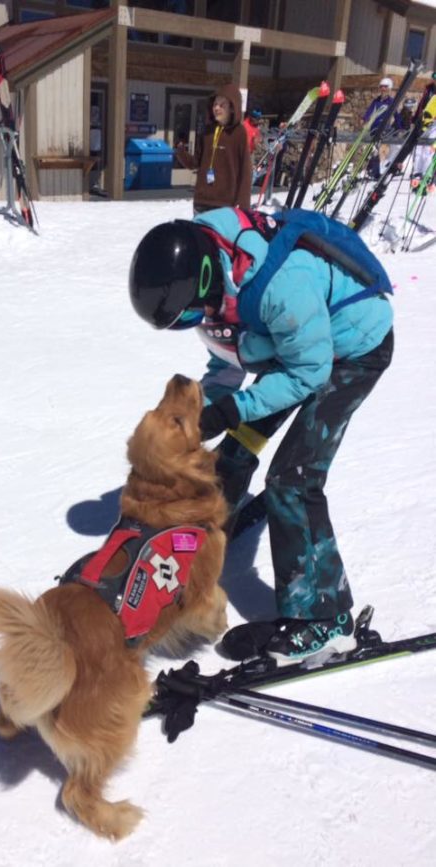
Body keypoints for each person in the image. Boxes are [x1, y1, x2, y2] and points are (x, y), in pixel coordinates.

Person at [128, 208, 394, 666]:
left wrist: (234, 409)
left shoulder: (278, 287)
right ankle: (205, 535)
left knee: (292, 479)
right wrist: (206, 413)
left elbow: (310, 372)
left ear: (209, 278)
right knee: (235, 450)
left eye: (194, 312)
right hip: (290, 347)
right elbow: (227, 361)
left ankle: (325, 619)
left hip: (352, 350)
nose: (197, 320)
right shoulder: (215, 288)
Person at [175, 83, 252, 213]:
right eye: (215, 104)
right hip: (201, 201)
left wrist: (243, 206)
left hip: (225, 204)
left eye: (222, 105)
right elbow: (195, 163)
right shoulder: (207, 131)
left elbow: (245, 171)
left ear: (232, 108)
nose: (216, 108)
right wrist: (181, 151)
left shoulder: (239, 133)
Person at [363, 77, 402, 179]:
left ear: (389, 89)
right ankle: (372, 171)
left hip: (384, 129)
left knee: (381, 150)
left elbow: (396, 115)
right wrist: (366, 118)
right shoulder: (376, 101)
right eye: (381, 87)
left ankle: (377, 172)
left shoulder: (392, 102)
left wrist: (399, 126)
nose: (383, 89)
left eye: (385, 87)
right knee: (373, 150)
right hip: (374, 128)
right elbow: (369, 111)